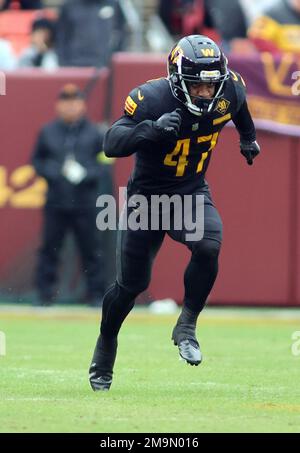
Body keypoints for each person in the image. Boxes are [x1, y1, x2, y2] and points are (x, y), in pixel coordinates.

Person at [89, 35, 260, 391]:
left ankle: (187, 325)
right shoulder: (150, 98)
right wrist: (149, 130)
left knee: (210, 244)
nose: (205, 93)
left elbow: (239, 107)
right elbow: (111, 143)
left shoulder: (229, 89)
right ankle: (105, 348)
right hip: (147, 200)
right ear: (177, 78)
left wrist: (247, 137)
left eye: (211, 84)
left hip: (190, 192)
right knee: (131, 286)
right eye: (197, 84)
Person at [32, 83, 106, 306]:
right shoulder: (48, 131)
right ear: (58, 106)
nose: (71, 107)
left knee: (91, 250)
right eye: (66, 102)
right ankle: (44, 295)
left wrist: (85, 174)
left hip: (85, 201)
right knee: (49, 249)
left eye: (75, 102)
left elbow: (105, 163)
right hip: (56, 201)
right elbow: (37, 162)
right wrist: (55, 172)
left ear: (83, 105)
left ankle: (96, 295)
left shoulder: (94, 133)